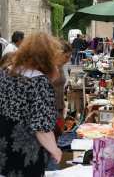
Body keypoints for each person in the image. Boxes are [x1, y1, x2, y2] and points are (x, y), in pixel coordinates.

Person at [0, 32, 62, 177]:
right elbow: (41, 127)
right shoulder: (39, 82)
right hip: (26, 152)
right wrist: (55, 150)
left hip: (3, 143)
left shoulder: (5, 72)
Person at [52, 40, 72, 137]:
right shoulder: (49, 67)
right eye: (66, 57)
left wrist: (63, 107)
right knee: (55, 136)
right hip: (51, 110)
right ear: (58, 53)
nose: (67, 60)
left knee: (59, 135)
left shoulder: (60, 67)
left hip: (59, 108)